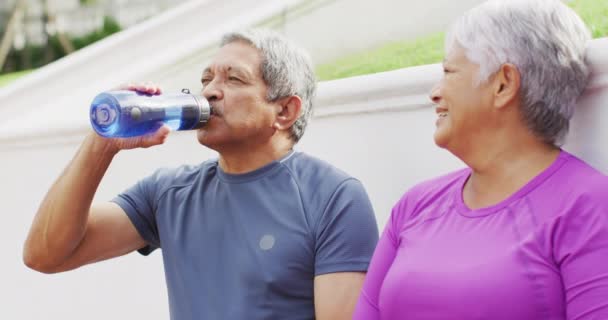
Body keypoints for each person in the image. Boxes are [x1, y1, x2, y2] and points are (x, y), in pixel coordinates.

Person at [23, 29, 379, 320]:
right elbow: (45, 254)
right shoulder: (168, 192)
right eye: (206, 78)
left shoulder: (334, 197)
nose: (209, 91)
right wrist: (101, 145)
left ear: (284, 110)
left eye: (234, 79)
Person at [353, 0, 608, 319]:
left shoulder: (588, 205)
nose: (435, 92)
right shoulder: (416, 205)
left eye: (448, 72)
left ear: (503, 84)